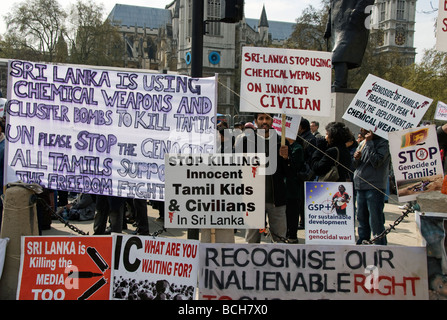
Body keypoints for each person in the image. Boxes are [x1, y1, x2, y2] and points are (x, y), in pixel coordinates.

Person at [238, 113, 290, 243]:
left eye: (267, 118)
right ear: (256, 121)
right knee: (251, 240)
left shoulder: (281, 142)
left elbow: (290, 172)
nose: (264, 121)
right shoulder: (246, 141)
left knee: (280, 240)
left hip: (276, 200)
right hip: (253, 199)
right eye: (261, 118)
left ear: (273, 120)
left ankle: (278, 262)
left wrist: (286, 158)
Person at [324, 0, 375, 89]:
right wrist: (328, 27)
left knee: (339, 55)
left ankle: (340, 84)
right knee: (336, 57)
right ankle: (339, 83)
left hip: (352, 25)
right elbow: (332, 7)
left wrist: (356, 14)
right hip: (338, 25)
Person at [353, 128, 390, 245]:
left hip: (374, 186)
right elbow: (354, 165)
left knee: (375, 219)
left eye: (364, 129)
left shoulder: (383, 143)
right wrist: (356, 158)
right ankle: (363, 241)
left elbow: (377, 162)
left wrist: (369, 143)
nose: (362, 130)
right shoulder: (362, 143)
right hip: (360, 186)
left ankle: (379, 244)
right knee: (361, 218)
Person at [285, 136, 304, 243]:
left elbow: (295, 166)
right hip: (285, 186)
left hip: (293, 186)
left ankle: (292, 235)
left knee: (292, 212)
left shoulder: (297, 148)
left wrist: (286, 156)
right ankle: (287, 233)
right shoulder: (285, 146)